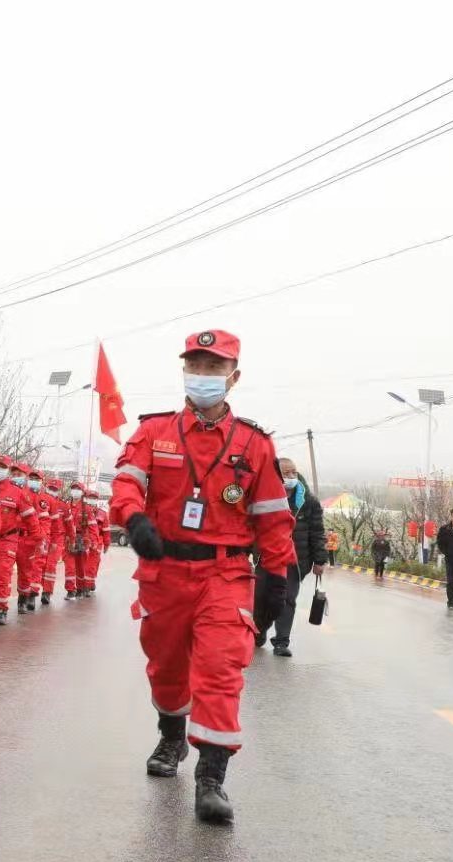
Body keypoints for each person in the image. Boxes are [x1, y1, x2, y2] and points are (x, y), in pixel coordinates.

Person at [110, 329, 295, 824]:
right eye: (195, 365)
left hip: (225, 571)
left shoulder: (254, 445)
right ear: (184, 372)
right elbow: (127, 481)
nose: (203, 375)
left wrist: (275, 577)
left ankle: (211, 777)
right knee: (167, 667)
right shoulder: (153, 432)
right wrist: (134, 518)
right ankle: (172, 738)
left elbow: (273, 517)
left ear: (234, 377)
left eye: (214, 367)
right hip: (164, 571)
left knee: (219, 669)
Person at [255, 459, 325, 658]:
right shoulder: (264, 498)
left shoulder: (308, 501)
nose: (291, 476)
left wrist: (320, 560)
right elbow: (251, 527)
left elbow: (317, 532)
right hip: (266, 558)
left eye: (294, 472)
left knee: (287, 599)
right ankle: (259, 632)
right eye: (286, 473)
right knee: (262, 599)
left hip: (295, 561)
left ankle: (281, 641)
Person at [0, 454, 36, 624]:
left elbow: (31, 518)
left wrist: (38, 538)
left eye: (3, 467)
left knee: (2, 573)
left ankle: (0, 609)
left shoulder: (16, 492)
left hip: (6, 539)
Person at [19, 466, 48, 613]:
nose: (34, 481)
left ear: (42, 481)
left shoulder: (43, 499)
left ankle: (30, 595)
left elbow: (45, 521)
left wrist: (42, 538)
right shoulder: (22, 493)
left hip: (34, 538)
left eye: (37, 479)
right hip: (17, 536)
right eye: (32, 478)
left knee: (33, 568)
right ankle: (23, 596)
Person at [40, 476, 70, 606]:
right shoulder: (40, 500)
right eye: (50, 488)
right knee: (40, 565)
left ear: (59, 490)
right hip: (43, 536)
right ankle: (37, 587)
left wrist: (71, 538)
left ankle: (47, 592)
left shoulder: (63, 505)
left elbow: (69, 524)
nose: (52, 491)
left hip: (57, 538)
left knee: (51, 565)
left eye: (54, 489)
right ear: (46, 487)